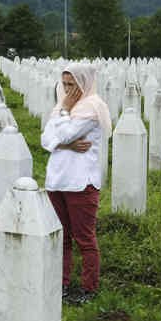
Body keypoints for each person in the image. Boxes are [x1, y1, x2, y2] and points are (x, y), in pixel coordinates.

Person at [41, 64, 110, 305]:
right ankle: (61, 283)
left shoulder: (92, 107)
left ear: (85, 84)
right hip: (57, 179)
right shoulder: (62, 107)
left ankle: (89, 289)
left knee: (84, 238)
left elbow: (65, 134)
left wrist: (64, 117)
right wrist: (65, 144)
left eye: (73, 85)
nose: (68, 90)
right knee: (61, 237)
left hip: (81, 182)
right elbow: (46, 140)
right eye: (65, 85)